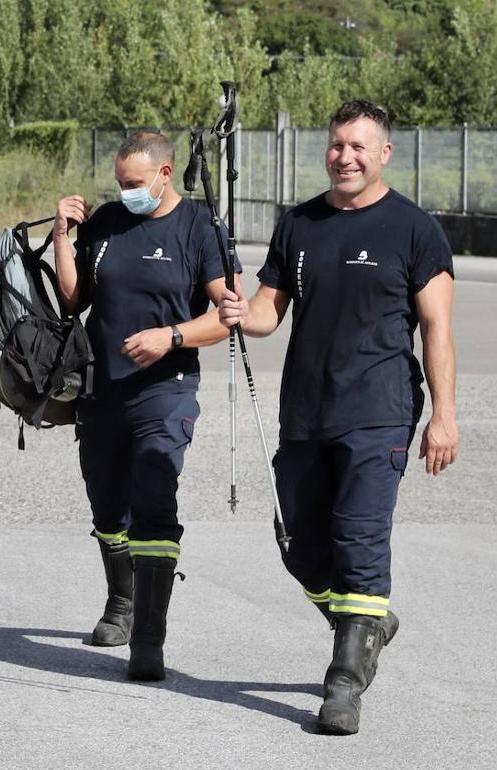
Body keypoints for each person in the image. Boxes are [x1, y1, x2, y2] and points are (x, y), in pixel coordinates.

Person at [220, 100, 457, 735]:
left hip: (379, 411)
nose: (344, 156)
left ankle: (344, 682)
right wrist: (242, 314)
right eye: (336, 145)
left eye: (359, 146)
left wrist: (444, 416)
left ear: (383, 154)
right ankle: (369, 621)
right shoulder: (299, 223)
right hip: (304, 409)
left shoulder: (415, 230)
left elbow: (437, 330)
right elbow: (270, 312)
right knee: (298, 544)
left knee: (359, 538)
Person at [52, 130, 236, 681]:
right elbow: (73, 298)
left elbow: (225, 315)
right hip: (101, 388)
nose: (126, 192)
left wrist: (172, 337)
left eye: (135, 183)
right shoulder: (107, 221)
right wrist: (64, 234)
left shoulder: (199, 226)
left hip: (166, 389)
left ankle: (148, 639)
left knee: (154, 502)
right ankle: (121, 604)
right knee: (108, 508)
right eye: (119, 183)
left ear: (165, 173)